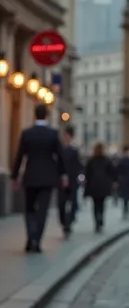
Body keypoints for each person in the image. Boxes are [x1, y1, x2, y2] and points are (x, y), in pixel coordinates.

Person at [11, 103, 67, 253]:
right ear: (46, 115)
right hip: (48, 177)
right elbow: (61, 157)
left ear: (35, 115)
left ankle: (30, 238)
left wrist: (15, 176)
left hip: (30, 176)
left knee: (29, 209)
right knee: (43, 210)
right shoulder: (53, 134)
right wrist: (63, 175)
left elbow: (19, 156)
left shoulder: (27, 133)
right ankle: (37, 240)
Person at [84, 142, 115, 232]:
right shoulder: (106, 160)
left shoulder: (91, 160)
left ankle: (96, 221)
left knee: (95, 204)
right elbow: (111, 172)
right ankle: (101, 218)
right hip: (104, 185)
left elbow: (87, 174)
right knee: (102, 204)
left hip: (93, 185)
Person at [57, 125, 82, 236]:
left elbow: (78, 165)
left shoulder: (74, 150)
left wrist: (80, 176)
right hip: (61, 181)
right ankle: (64, 221)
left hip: (72, 181)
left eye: (67, 136)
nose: (66, 138)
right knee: (61, 203)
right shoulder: (59, 150)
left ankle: (69, 223)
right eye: (64, 136)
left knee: (73, 203)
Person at [116, 146, 129, 219]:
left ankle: (127, 209)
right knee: (126, 197)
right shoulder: (126, 161)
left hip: (128, 180)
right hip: (126, 180)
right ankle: (126, 209)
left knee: (128, 197)